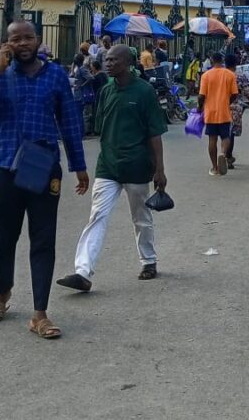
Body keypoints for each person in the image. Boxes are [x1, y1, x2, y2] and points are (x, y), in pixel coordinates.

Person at [0, 21, 89, 338]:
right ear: (7, 43)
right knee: (3, 239)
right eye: (15, 38)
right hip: (5, 168)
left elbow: (70, 121)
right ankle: (2, 294)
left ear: (37, 40)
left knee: (43, 240)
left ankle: (40, 314)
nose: (22, 43)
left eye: (27, 38)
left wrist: (79, 165)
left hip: (43, 167)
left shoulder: (55, 75)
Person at [56, 44, 168, 292]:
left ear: (127, 63)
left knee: (141, 217)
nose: (108, 63)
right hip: (108, 165)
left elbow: (155, 134)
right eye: (106, 60)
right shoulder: (106, 90)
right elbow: (100, 127)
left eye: (114, 60)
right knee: (97, 216)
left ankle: (148, 261)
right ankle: (82, 272)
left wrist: (160, 169)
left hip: (137, 165)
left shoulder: (144, 92)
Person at [198, 50, 239, 176]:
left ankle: (215, 168)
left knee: (212, 139)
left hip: (210, 112)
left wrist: (200, 107)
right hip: (224, 111)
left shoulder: (206, 76)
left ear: (211, 61)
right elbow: (235, 94)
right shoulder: (230, 75)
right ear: (222, 61)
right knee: (225, 137)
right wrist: (227, 101)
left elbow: (201, 96)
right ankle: (223, 153)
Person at [225, 52, 249, 166]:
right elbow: (247, 91)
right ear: (236, 64)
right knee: (231, 133)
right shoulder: (239, 77)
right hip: (235, 107)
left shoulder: (220, 75)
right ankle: (228, 157)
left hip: (220, 106)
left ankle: (225, 155)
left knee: (223, 132)